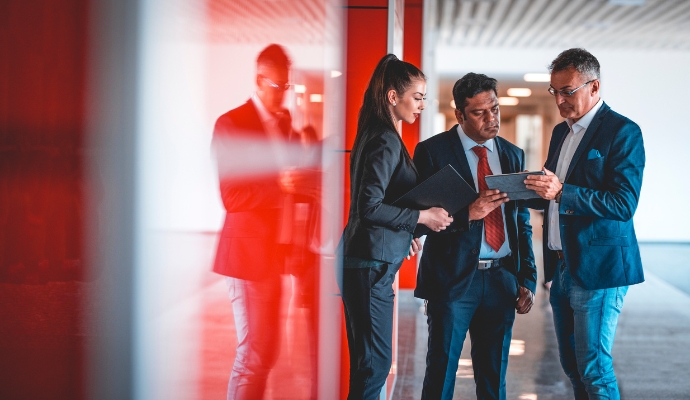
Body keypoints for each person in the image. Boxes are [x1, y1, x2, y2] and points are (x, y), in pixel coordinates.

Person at [524, 48, 645, 400]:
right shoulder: (562, 133)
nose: (559, 99)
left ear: (594, 87)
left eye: (567, 91)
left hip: (599, 268)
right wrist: (517, 191)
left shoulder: (623, 132)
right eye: (554, 91)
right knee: (573, 367)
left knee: (593, 366)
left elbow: (623, 204)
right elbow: (553, 195)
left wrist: (562, 191)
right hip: (562, 267)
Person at [413, 73, 537, 400]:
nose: (491, 118)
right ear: (460, 115)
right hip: (452, 279)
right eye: (480, 113)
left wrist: (527, 278)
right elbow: (418, 222)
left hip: (501, 280)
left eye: (494, 108)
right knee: (441, 372)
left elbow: (520, 220)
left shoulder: (512, 154)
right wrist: (468, 213)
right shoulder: (432, 153)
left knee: (494, 378)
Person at [339, 54, 452, 400]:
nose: (422, 104)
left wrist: (405, 232)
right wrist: (422, 218)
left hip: (368, 262)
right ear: (392, 96)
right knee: (374, 365)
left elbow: (375, 204)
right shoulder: (385, 139)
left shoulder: (376, 133)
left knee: (369, 363)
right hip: (369, 265)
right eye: (417, 97)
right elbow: (368, 207)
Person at [211, 43, 320, 399]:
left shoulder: (286, 122)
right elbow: (232, 196)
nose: (283, 96)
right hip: (245, 257)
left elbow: (288, 185)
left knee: (267, 352)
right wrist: (280, 185)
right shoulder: (231, 124)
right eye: (277, 87)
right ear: (259, 81)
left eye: (286, 87)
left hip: (275, 254)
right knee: (255, 354)